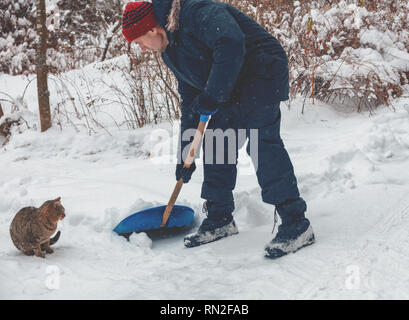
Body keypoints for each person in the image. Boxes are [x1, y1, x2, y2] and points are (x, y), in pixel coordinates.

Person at [122, 0, 315, 259]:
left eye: (139, 42)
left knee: (261, 141)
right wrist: (185, 154)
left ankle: (296, 222)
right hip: (230, 83)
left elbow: (231, 43)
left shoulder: (195, 12)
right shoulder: (170, 50)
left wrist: (213, 95)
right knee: (217, 141)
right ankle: (219, 217)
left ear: (152, 30)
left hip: (261, 69)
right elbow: (190, 98)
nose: (143, 49)